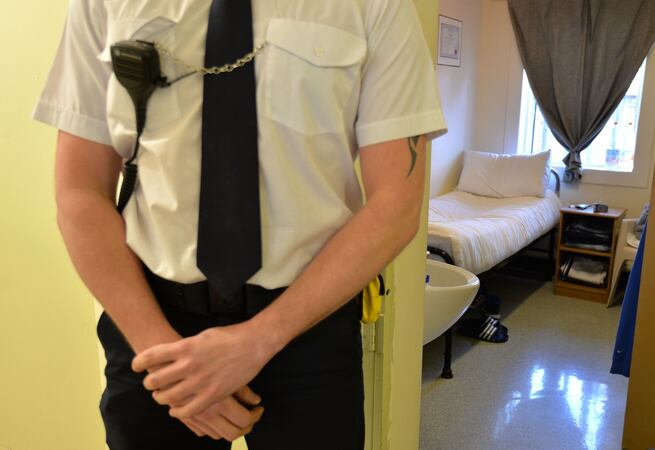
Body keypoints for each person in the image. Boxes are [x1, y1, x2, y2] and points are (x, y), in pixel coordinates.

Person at [33, 0, 446, 448]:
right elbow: (79, 192)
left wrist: (257, 342)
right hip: (152, 330)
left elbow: (397, 204)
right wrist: (173, 369)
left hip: (307, 330)